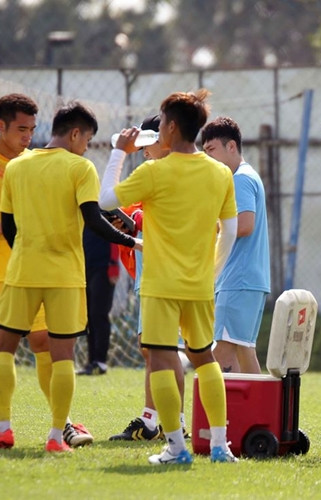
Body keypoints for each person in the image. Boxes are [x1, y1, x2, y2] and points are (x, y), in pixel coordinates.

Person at [0, 101, 140, 452]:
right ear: (76, 133)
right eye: (87, 140)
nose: (86, 147)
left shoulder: (17, 166)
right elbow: (94, 220)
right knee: (62, 356)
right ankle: (54, 436)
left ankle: (3, 428)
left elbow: (8, 226)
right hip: (65, 276)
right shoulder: (81, 168)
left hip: (22, 271)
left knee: (3, 348)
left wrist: (25, 252)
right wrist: (131, 241)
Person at [99, 89, 239, 465]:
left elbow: (105, 200)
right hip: (200, 285)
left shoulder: (154, 171)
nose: (158, 128)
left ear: (172, 127)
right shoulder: (220, 172)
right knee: (205, 359)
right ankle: (220, 446)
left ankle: (176, 447)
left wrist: (119, 152)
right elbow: (228, 230)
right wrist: (211, 272)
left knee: (161, 360)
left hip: (161, 285)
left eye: (161, 122)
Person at [0, 94, 93, 449]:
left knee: (45, 342)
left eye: (32, 129)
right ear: (1, 126)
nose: (27, 136)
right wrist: (16, 231)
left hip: (32, 269)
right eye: (20, 129)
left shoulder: (37, 162)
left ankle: (62, 424)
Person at [108, 114, 190, 442]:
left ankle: (172, 423)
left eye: (148, 142)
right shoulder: (157, 172)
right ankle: (154, 420)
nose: (143, 150)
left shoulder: (172, 172)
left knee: (164, 350)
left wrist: (138, 217)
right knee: (152, 349)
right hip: (152, 273)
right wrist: (128, 223)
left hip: (166, 276)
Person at [201, 116, 270, 374]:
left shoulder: (239, 179)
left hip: (238, 279)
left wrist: (207, 227)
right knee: (244, 351)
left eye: (211, 149)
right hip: (247, 280)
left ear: (231, 146)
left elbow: (244, 225)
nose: (207, 157)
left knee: (221, 354)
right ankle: (259, 402)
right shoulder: (246, 175)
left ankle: (222, 404)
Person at [77, 227, 121, 376]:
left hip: (104, 267)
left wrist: (114, 265)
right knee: (88, 315)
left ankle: (100, 361)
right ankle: (91, 361)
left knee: (99, 314)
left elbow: (114, 234)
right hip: (84, 266)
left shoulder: (106, 213)